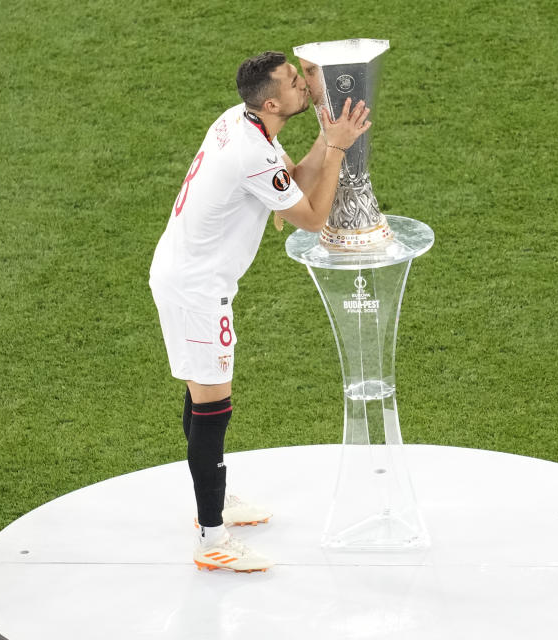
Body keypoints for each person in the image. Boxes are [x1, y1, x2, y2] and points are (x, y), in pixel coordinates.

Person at [149, 51, 371, 573]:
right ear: (271, 102)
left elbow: (287, 179)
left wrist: (325, 134)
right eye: (296, 83)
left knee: (201, 393)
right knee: (212, 407)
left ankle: (215, 504)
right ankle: (211, 540)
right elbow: (310, 219)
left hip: (185, 274)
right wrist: (337, 148)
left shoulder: (239, 122)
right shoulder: (249, 151)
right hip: (199, 290)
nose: (304, 85)